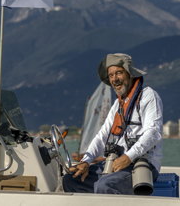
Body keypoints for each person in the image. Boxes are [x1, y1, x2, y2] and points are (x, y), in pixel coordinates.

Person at [62, 53, 163, 194]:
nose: (115, 79)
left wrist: (128, 157)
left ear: (129, 74)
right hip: (116, 162)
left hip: (142, 165)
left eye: (119, 73)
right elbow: (102, 135)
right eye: (111, 75)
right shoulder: (118, 105)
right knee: (70, 180)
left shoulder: (148, 96)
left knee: (105, 185)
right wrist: (86, 161)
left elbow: (153, 132)